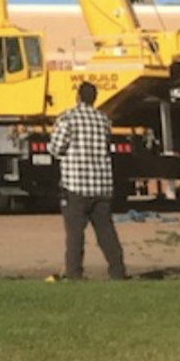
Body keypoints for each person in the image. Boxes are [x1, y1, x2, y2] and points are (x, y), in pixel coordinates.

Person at [47, 82, 128, 281]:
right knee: (106, 231)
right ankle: (117, 271)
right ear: (95, 98)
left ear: (78, 96)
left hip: (76, 185)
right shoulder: (104, 120)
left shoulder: (68, 118)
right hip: (102, 184)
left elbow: (56, 148)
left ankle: (74, 273)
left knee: (75, 233)